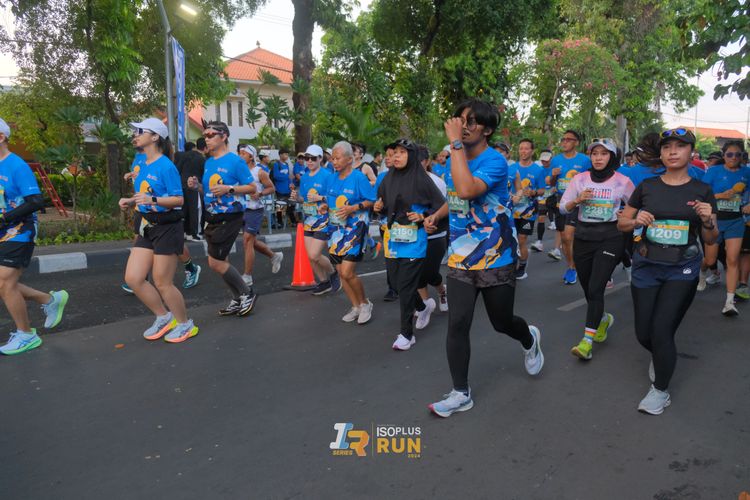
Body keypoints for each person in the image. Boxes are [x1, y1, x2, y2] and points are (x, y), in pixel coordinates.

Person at [428, 99, 544, 418]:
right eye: (460, 119)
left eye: (472, 121)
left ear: (488, 130)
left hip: (496, 256)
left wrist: (454, 144)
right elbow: (455, 195)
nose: (464, 126)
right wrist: (437, 215)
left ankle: (529, 337)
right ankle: (460, 393)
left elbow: (468, 189)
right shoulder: (454, 159)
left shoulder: (495, 161)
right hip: (461, 256)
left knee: (501, 322)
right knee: (457, 323)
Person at [617, 128, 717, 415]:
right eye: (667, 147)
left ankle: (660, 391)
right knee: (643, 333)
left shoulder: (701, 190)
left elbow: (711, 239)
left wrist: (708, 221)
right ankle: (662, 356)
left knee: (661, 330)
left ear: (691, 153)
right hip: (646, 266)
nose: (673, 151)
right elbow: (622, 224)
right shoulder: (647, 186)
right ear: (660, 154)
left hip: (682, 269)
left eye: (680, 146)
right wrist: (636, 220)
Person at [117, 118, 198, 343]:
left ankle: (185, 324)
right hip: (147, 225)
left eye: (140, 131)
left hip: (167, 227)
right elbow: (146, 193)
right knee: (133, 278)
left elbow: (179, 200)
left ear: (155, 137)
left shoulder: (166, 166)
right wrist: (131, 201)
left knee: (162, 282)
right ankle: (164, 317)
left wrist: (151, 200)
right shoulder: (143, 163)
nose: (135, 135)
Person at [560, 138, 634, 360]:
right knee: (587, 288)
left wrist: (626, 214)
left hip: (610, 237)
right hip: (584, 237)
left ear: (612, 156)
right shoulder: (580, 179)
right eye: (594, 154)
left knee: (595, 288)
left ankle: (586, 342)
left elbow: (638, 205)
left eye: (603, 153)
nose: (598, 158)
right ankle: (603, 319)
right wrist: (577, 200)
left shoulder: (622, 181)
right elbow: (563, 207)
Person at [0, 117, 69, 355]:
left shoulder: (16, 165)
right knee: (3, 283)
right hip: (3, 230)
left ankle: (26, 334)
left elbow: (36, 201)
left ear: (1, 137)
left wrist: (5, 219)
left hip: (21, 230)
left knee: (4, 281)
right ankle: (49, 300)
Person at [374, 139, 446, 350]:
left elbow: (441, 206)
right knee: (396, 284)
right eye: (394, 152)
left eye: (402, 152)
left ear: (412, 156)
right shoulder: (388, 177)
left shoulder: (423, 179)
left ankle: (406, 334)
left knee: (406, 287)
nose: (396, 156)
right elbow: (384, 204)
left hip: (415, 240)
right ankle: (422, 307)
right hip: (393, 237)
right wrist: (378, 207)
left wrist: (424, 215)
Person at [187, 121, 257, 316]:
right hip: (212, 216)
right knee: (221, 261)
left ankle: (247, 293)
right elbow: (210, 191)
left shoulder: (236, 161)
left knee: (215, 262)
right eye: (205, 135)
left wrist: (230, 188)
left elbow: (252, 188)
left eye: (211, 135)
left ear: (224, 136)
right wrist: (197, 187)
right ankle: (237, 298)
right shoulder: (209, 162)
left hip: (230, 215)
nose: (206, 139)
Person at [326, 141, 376, 324]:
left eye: (337, 158)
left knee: (347, 272)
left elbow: (372, 200)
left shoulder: (359, 178)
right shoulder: (331, 178)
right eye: (332, 158)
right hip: (335, 229)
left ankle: (365, 304)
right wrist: (324, 206)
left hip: (355, 228)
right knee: (340, 272)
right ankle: (355, 306)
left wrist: (353, 208)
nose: (334, 161)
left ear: (349, 159)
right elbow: (329, 200)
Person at [698, 141, 750, 315]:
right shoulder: (714, 171)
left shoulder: (747, 173)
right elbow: (702, 194)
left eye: (738, 154)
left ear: (742, 156)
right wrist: (721, 195)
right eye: (729, 154)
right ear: (724, 155)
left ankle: (729, 302)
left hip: (736, 221)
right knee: (710, 260)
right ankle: (703, 272)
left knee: (732, 260)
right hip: (714, 221)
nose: (733, 158)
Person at [549, 129, 592, 284]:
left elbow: (591, 180)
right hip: (561, 201)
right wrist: (554, 176)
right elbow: (551, 184)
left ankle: (578, 265)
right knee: (566, 238)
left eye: (568, 139)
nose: (564, 142)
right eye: (563, 139)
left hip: (578, 201)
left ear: (576, 142)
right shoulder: (555, 160)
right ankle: (571, 267)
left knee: (569, 235)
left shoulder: (585, 160)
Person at [297, 144, 340, 295]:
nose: (309, 161)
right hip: (309, 220)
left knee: (314, 255)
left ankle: (334, 273)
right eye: (306, 158)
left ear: (320, 159)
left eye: (313, 158)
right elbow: (304, 199)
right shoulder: (304, 177)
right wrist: (297, 198)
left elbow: (336, 198)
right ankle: (324, 282)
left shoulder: (328, 175)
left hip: (324, 220)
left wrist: (320, 198)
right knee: (310, 257)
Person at [238, 145, 284, 288]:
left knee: (247, 240)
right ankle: (274, 256)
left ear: (251, 156)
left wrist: (260, 193)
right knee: (252, 242)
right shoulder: (238, 171)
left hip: (254, 209)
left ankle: (247, 276)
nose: (240, 156)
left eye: (243, 153)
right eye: (239, 153)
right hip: (241, 209)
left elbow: (271, 188)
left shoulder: (260, 172)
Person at [417, 145, 449, 313]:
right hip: (412, 235)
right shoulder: (403, 181)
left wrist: (427, 218)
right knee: (416, 273)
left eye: (420, 161)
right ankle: (424, 305)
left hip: (436, 234)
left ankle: (442, 291)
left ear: (427, 161)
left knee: (430, 273)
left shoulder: (437, 182)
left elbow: (445, 207)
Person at [510, 139, 545, 279]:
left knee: (522, 239)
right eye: (521, 148)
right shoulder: (512, 168)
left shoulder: (538, 170)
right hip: (511, 210)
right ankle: (510, 265)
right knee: (511, 240)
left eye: (526, 148)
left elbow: (543, 190)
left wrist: (534, 192)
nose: (523, 151)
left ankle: (522, 267)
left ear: (532, 151)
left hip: (528, 211)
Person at [377, 144, 399, 302]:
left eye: (391, 155)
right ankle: (392, 288)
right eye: (387, 155)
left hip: (404, 225)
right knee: (390, 258)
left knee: (403, 258)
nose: (387, 158)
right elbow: (377, 200)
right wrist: (377, 207)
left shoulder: (409, 177)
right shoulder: (382, 177)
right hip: (385, 224)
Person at [175, 141, 205, 240]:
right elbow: (203, 173)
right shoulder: (200, 157)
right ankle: (194, 233)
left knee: (184, 210)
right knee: (194, 210)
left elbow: (177, 170)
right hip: (194, 185)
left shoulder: (182, 156)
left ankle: (184, 232)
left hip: (181, 185)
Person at [531, 149, 554, 252]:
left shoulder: (556, 169)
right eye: (543, 160)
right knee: (541, 218)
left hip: (555, 197)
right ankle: (539, 242)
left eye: (546, 159)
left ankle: (561, 244)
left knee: (561, 224)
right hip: (543, 198)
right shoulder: (539, 170)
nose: (544, 161)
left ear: (551, 159)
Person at [271, 150, 296, 228]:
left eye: (287, 154)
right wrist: (287, 176)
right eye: (285, 154)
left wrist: (291, 183)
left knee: (292, 204)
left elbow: (289, 177)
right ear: (280, 155)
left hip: (288, 189)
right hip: (279, 189)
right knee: (280, 207)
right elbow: (276, 176)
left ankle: (293, 221)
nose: (286, 156)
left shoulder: (287, 164)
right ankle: (280, 222)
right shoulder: (276, 164)